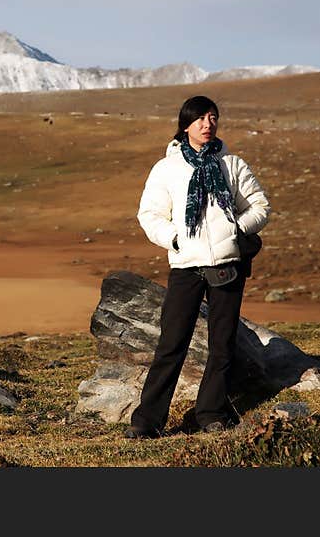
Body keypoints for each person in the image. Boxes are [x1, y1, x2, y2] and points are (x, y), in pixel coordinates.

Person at [126, 95, 270, 438]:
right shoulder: (167, 168)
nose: (208, 124)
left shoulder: (232, 165)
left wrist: (237, 229)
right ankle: (147, 421)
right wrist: (174, 238)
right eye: (200, 118)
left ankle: (210, 414)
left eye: (213, 117)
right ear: (186, 125)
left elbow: (260, 207)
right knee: (171, 344)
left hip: (227, 265)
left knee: (222, 344)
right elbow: (150, 215)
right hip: (186, 267)